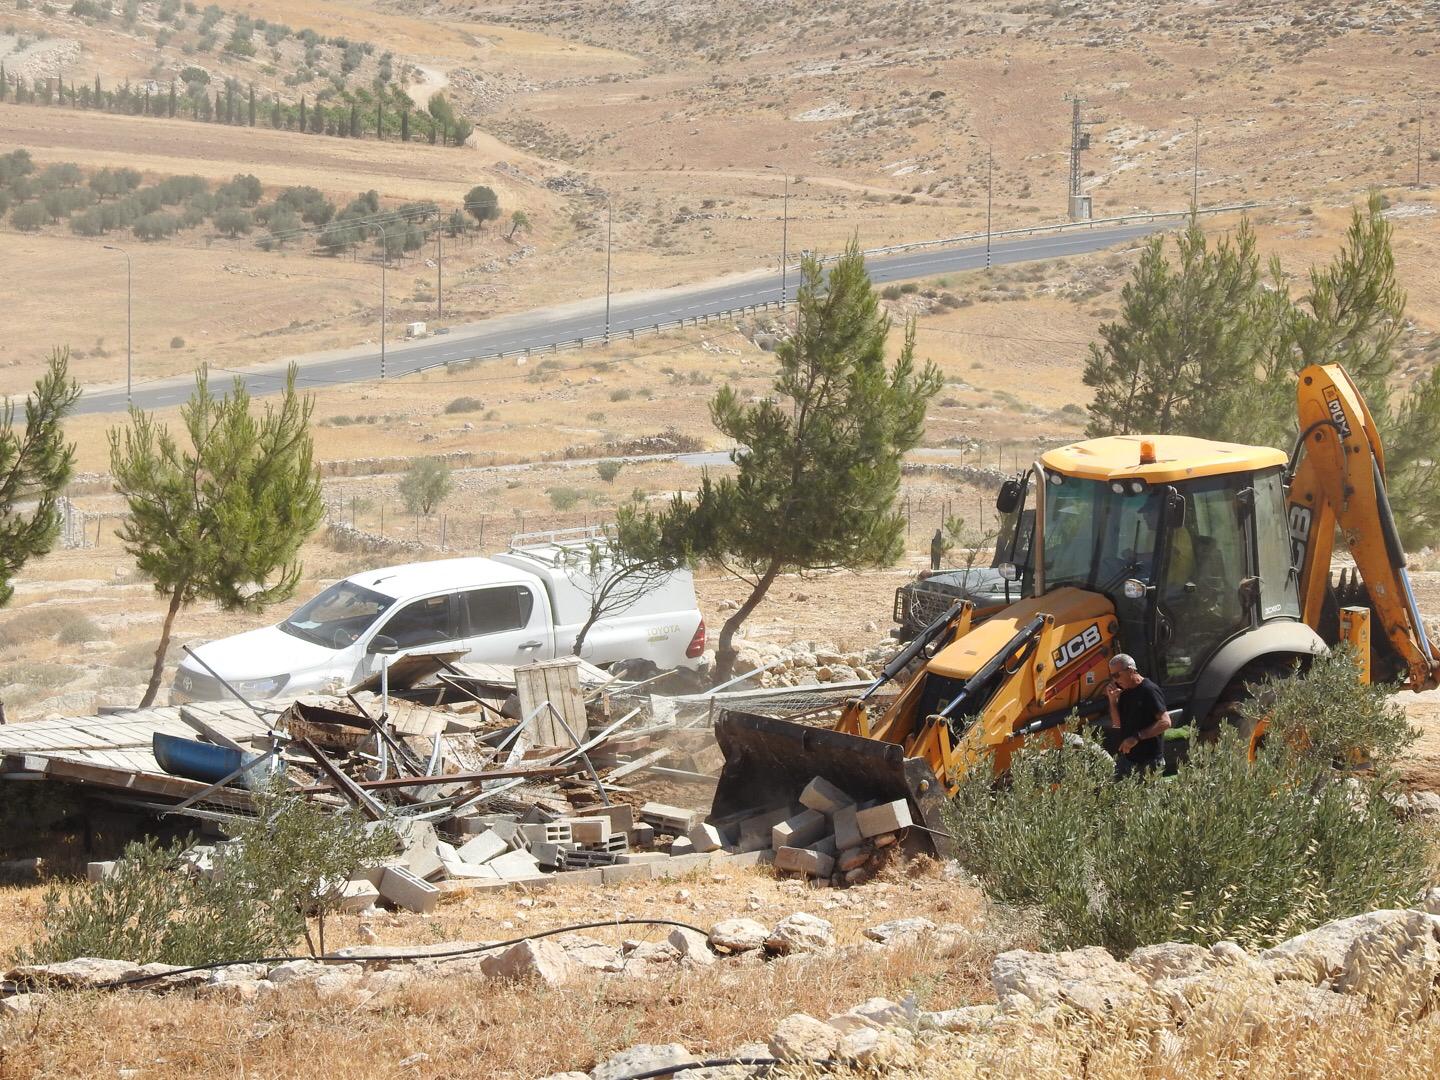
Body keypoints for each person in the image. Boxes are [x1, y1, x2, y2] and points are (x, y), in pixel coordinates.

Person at [1103, 653, 1171, 780]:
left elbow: (1166, 722)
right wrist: (1112, 701)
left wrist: (1137, 737)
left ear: (1130, 670)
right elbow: (1117, 724)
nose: (1115, 680)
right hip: (1128, 760)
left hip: (1149, 762)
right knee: (1109, 791)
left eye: (1117, 675)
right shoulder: (1124, 692)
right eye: (1112, 676)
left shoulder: (1149, 690)